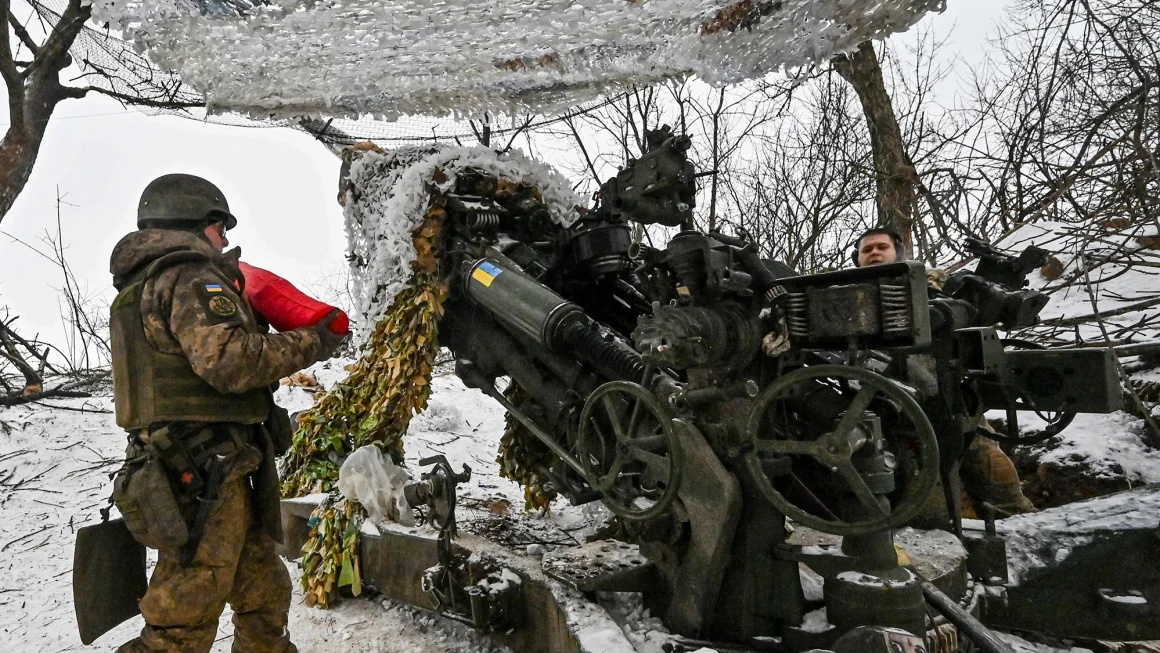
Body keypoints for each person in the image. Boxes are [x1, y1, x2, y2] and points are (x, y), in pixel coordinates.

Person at [109, 173, 346, 653]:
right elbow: (230, 362)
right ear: (197, 222)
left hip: (209, 462)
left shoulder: (143, 285)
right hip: (202, 468)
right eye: (221, 228)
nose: (225, 239)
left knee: (262, 589)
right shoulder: (191, 276)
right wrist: (314, 341)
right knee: (186, 608)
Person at [849, 227, 1035, 519]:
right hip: (899, 410)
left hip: (955, 396)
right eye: (866, 249)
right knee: (927, 499)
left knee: (995, 477)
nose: (873, 253)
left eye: (881, 247)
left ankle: (1023, 530)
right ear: (857, 259)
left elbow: (975, 312)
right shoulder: (845, 297)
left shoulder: (931, 281)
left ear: (898, 252)